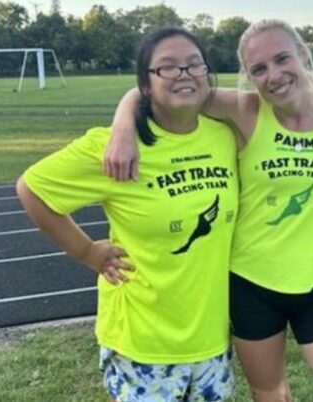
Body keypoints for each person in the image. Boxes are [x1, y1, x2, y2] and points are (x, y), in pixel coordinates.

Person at [104, 19, 313, 402]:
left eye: (282, 58)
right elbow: (162, 88)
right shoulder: (244, 110)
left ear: (303, 55)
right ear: (250, 77)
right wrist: (122, 126)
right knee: (271, 394)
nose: (273, 75)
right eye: (259, 69)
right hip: (250, 287)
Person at [16, 28, 240, 401]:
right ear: (146, 84)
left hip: (211, 338)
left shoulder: (226, 135)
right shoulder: (113, 146)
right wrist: (87, 251)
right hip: (143, 341)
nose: (183, 74)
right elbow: (33, 188)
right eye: (167, 68)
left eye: (193, 64)